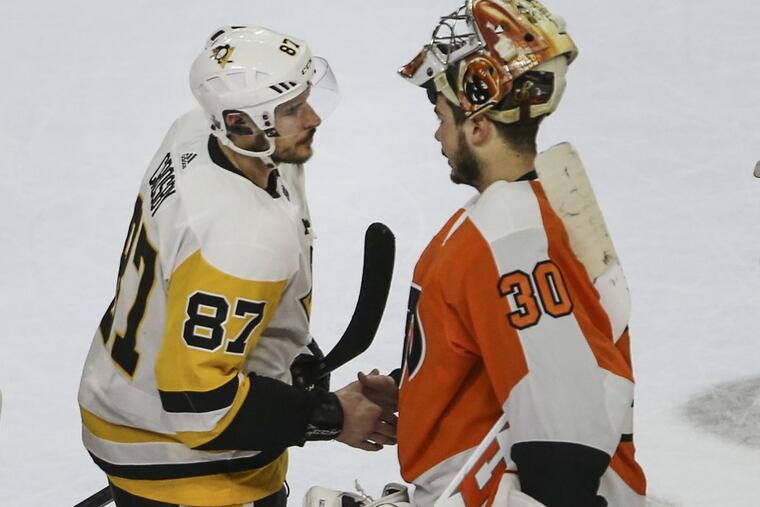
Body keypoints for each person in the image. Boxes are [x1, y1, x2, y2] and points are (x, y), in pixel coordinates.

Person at [78, 25, 395, 507]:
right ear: (239, 123)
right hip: (183, 461)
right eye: (292, 110)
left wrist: (288, 357)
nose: (313, 118)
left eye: (307, 99)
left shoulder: (198, 132)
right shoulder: (241, 237)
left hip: (127, 391)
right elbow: (199, 405)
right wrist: (331, 414)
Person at [358, 1, 648, 505]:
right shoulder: (520, 209)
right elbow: (515, 358)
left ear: (478, 128)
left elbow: (566, 445)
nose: (436, 133)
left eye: (441, 115)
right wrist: (423, 395)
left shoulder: (510, 241)